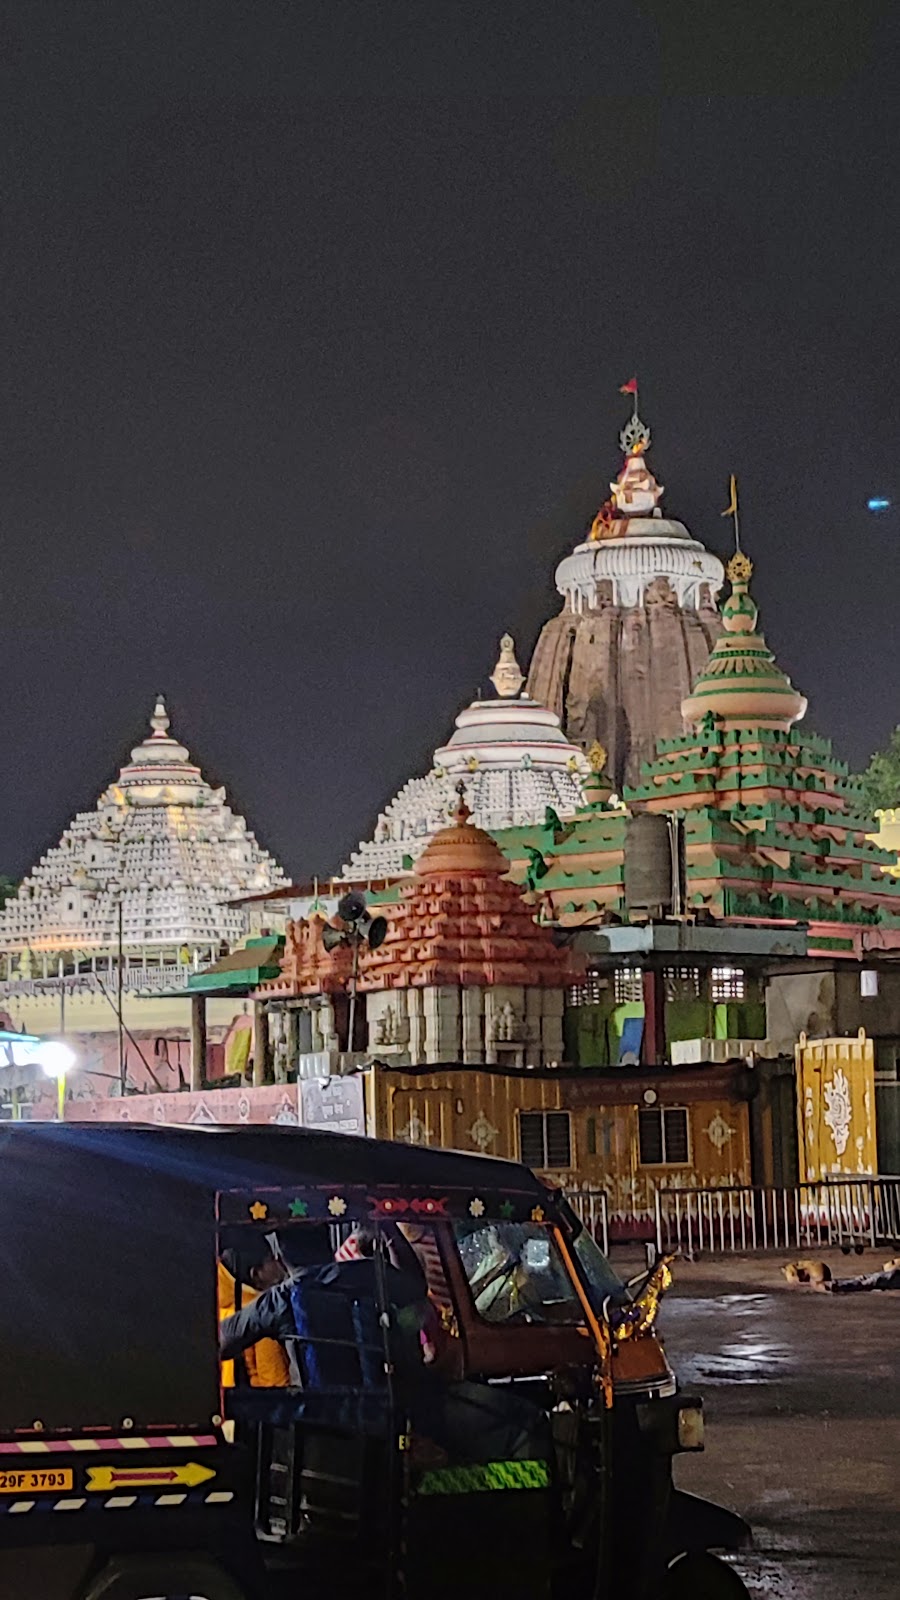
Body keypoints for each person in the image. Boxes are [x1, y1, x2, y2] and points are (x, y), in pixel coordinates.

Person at [218, 1242, 291, 1389]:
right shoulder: (263, 1317)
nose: (278, 1262)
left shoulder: (216, 1309)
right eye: (271, 1258)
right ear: (256, 1274)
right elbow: (275, 1385)